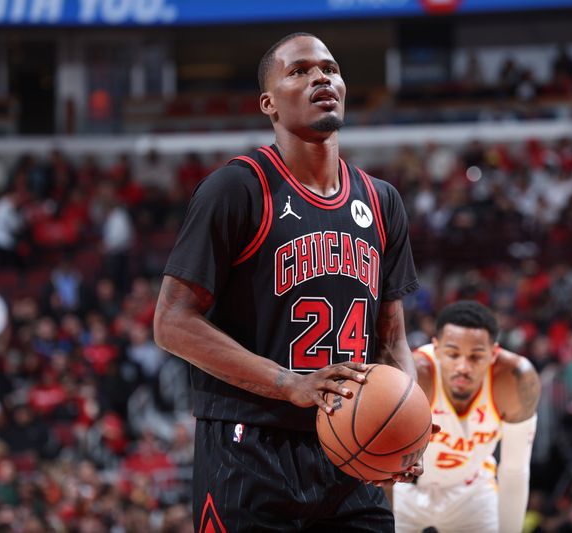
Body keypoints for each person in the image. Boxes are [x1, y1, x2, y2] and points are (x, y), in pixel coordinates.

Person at [153, 32, 424, 532]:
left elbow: (392, 339)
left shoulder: (382, 200)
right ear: (268, 103)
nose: (322, 77)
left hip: (352, 449)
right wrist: (289, 384)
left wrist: (410, 425)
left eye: (331, 68)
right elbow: (170, 323)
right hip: (251, 447)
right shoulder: (237, 187)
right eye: (299, 71)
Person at [392, 301, 541, 533]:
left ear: (494, 353)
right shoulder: (416, 376)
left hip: (472, 492)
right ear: (437, 349)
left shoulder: (515, 379)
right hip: (406, 490)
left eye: (476, 356)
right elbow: (380, 460)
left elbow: (514, 470)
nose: (463, 366)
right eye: (453, 354)